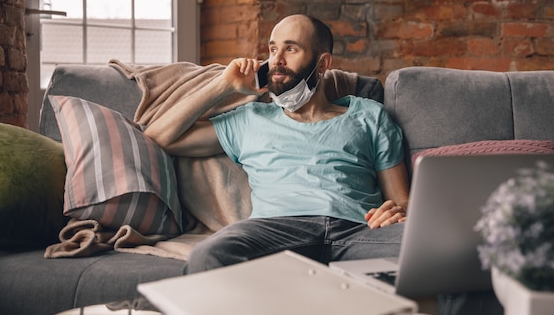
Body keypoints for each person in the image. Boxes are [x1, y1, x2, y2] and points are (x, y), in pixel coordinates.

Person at [144, 14, 410, 274]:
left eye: (291, 49)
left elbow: (402, 201)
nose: (277, 61)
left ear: (322, 63)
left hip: (357, 231)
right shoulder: (250, 120)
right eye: (273, 50)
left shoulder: (369, 114)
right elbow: (159, 137)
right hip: (274, 230)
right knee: (208, 256)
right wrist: (224, 85)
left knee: (441, 253)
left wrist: (396, 212)